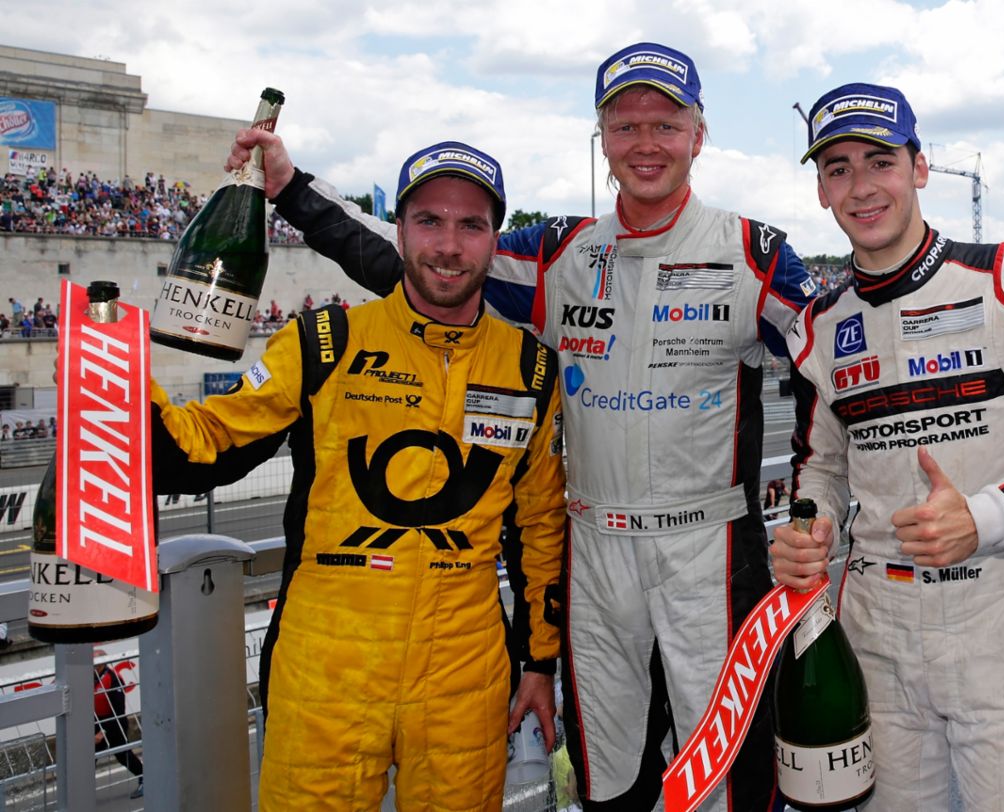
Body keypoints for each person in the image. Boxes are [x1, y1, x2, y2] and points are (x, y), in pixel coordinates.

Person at [224, 42, 814, 811]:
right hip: (593, 548)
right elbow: (425, 261)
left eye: (665, 125)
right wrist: (291, 190)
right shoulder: (562, 255)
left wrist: (811, 505)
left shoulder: (753, 254)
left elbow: (831, 370)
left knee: (727, 770)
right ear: (601, 139)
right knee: (610, 770)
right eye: (626, 126)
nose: (646, 144)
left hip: (711, 548)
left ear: (698, 135)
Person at [151, 142, 567, 810]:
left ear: (495, 241)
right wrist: (118, 379)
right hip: (325, 675)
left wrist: (539, 664)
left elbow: (540, 532)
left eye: (471, 226)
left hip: (464, 680)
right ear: (398, 231)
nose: (448, 246)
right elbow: (204, 447)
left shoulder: (531, 371)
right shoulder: (326, 342)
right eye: (429, 221)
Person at [770, 82, 1004, 811]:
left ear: (920, 167)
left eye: (880, 161)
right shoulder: (815, 328)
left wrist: (985, 516)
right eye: (838, 168)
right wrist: (808, 526)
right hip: (872, 619)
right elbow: (822, 466)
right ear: (819, 189)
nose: (861, 187)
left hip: (992, 609)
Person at [93, 662, 144, 799]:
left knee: (123, 755)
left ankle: (145, 778)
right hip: (98, 722)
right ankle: (79, 791)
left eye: (96, 665)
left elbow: (118, 711)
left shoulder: (113, 679)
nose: (93, 668)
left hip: (115, 723)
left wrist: (102, 732)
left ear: (103, 664)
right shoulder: (91, 678)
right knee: (88, 757)